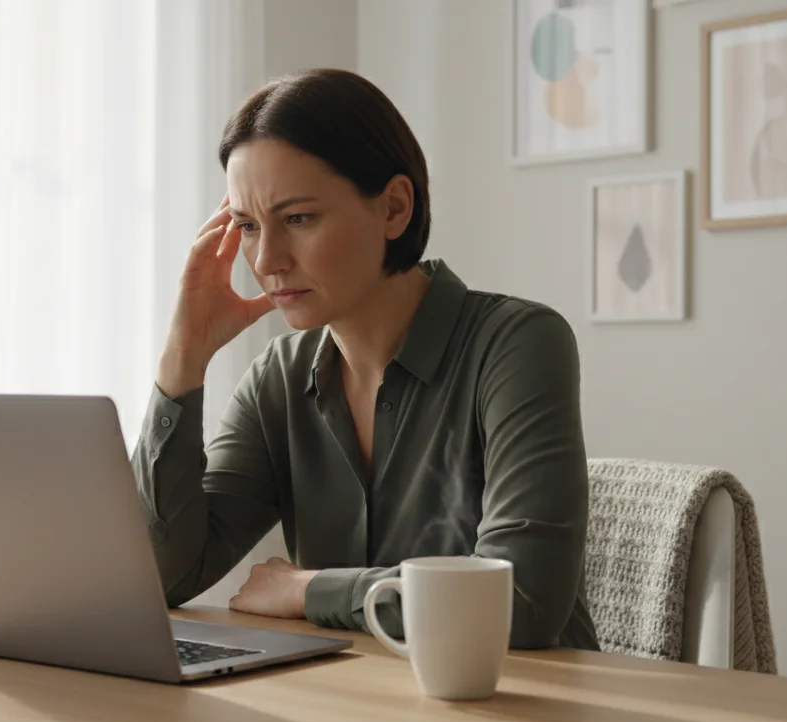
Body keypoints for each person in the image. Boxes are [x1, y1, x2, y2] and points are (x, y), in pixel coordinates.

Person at [132, 68, 598, 650]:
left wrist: (310, 590)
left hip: (530, 717)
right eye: (248, 226)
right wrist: (183, 357)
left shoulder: (518, 344)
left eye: (298, 218)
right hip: (359, 710)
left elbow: (521, 603)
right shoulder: (277, 379)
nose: (268, 259)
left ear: (395, 208)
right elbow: (159, 577)